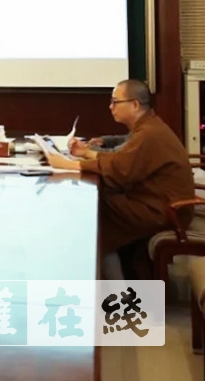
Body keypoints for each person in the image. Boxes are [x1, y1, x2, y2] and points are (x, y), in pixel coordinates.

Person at [47, 79, 194, 276]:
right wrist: (87, 153)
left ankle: (116, 292)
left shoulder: (150, 133)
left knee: (93, 213)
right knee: (97, 205)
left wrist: (69, 165)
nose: (111, 107)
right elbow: (121, 156)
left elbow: (118, 170)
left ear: (135, 105)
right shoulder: (147, 126)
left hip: (165, 211)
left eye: (115, 102)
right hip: (155, 202)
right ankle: (115, 288)